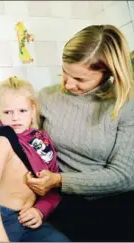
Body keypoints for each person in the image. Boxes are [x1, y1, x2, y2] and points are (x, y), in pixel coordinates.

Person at [26, 24, 134, 242]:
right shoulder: (47, 97)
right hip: (61, 203)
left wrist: (59, 180)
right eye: (65, 71)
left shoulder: (126, 104)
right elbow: (23, 138)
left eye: (80, 79)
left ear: (108, 73)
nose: (67, 84)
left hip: (114, 205)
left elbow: (125, 176)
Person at [0, 77, 69, 242]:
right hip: (1, 217)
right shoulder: (2, 140)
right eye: (7, 112)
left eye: (22, 111)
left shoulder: (41, 142)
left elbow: (52, 186)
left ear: (32, 110)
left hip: (30, 218)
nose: (15, 118)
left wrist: (39, 210)